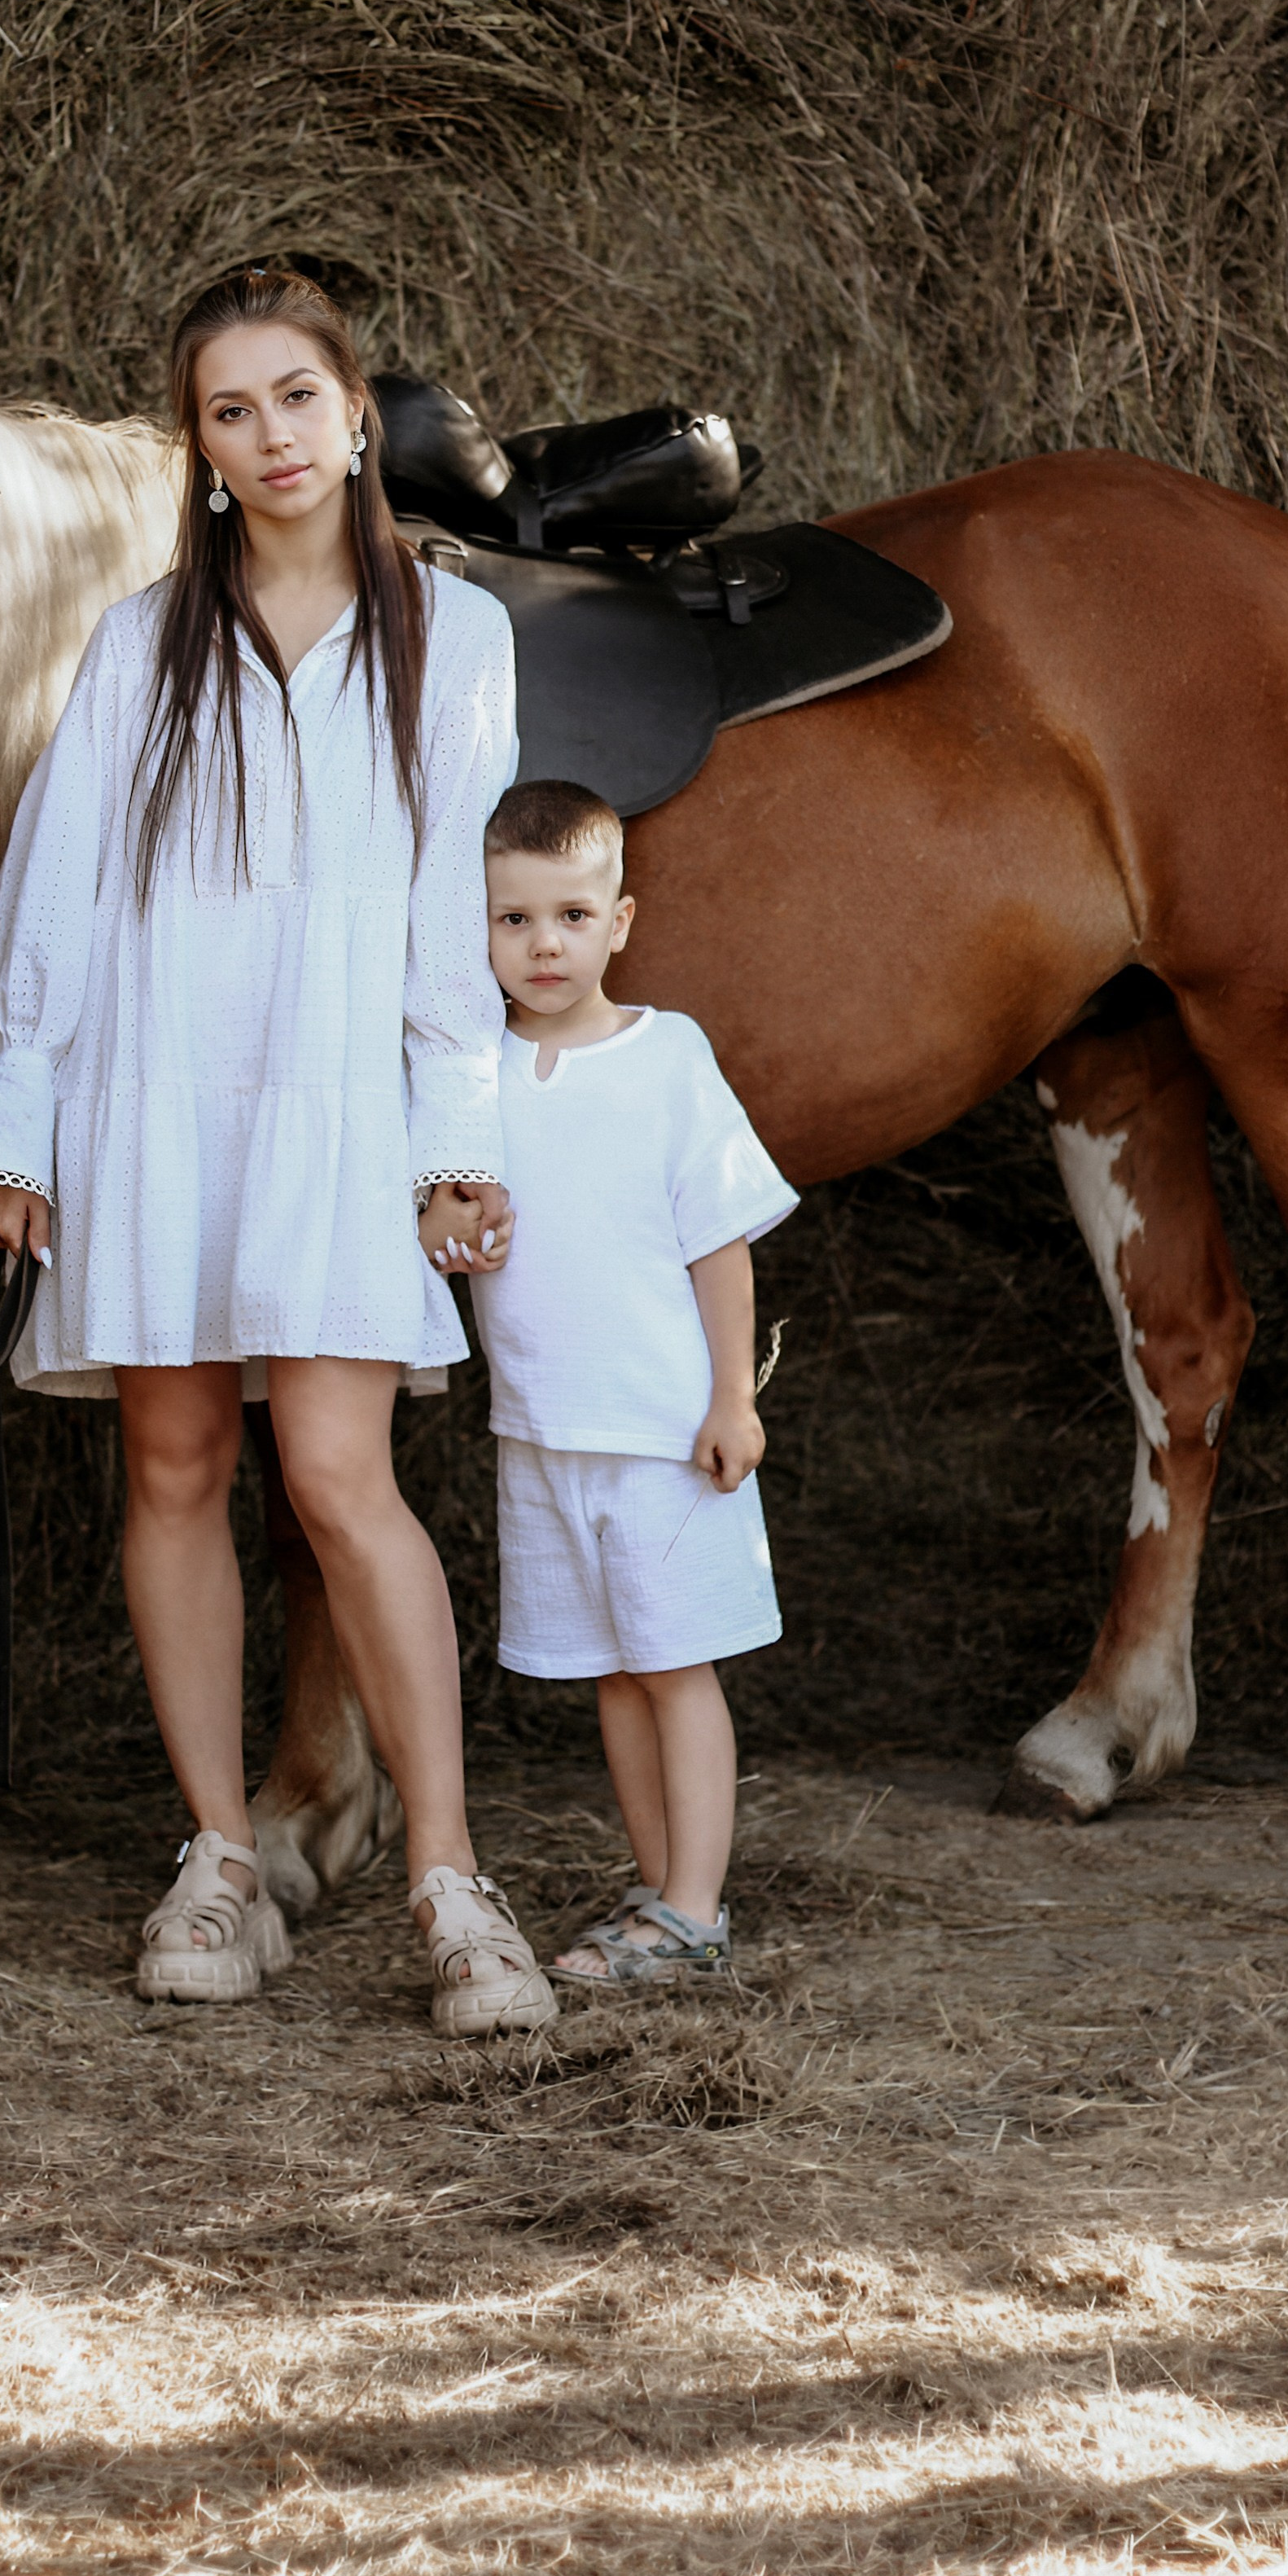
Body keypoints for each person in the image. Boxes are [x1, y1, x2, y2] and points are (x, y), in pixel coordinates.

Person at [0, 265, 556, 2036]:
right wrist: (20, 1124)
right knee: (167, 1470)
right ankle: (218, 1855)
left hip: (335, 1108)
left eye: (296, 397)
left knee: (333, 1474)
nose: (270, 437)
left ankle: (448, 1872)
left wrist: (455, 1140)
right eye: (230, 411)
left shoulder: (456, 640)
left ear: (356, 413)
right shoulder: (140, 641)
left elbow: (455, 925)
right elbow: (56, 896)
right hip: (156, 1095)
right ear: (198, 448)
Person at [453, 778, 798, 1988]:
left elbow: (721, 1242)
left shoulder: (668, 1059)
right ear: (477, 926)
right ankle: (659, 1900)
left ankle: (696, 1909)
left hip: (658, 1428)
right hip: (543, 1432)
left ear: (621, 921)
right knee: (610, 1673)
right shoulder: (469, 1074)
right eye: (513, 921)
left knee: (673, 1665)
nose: (544, 945)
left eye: (571, 916)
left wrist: (730, 1399)